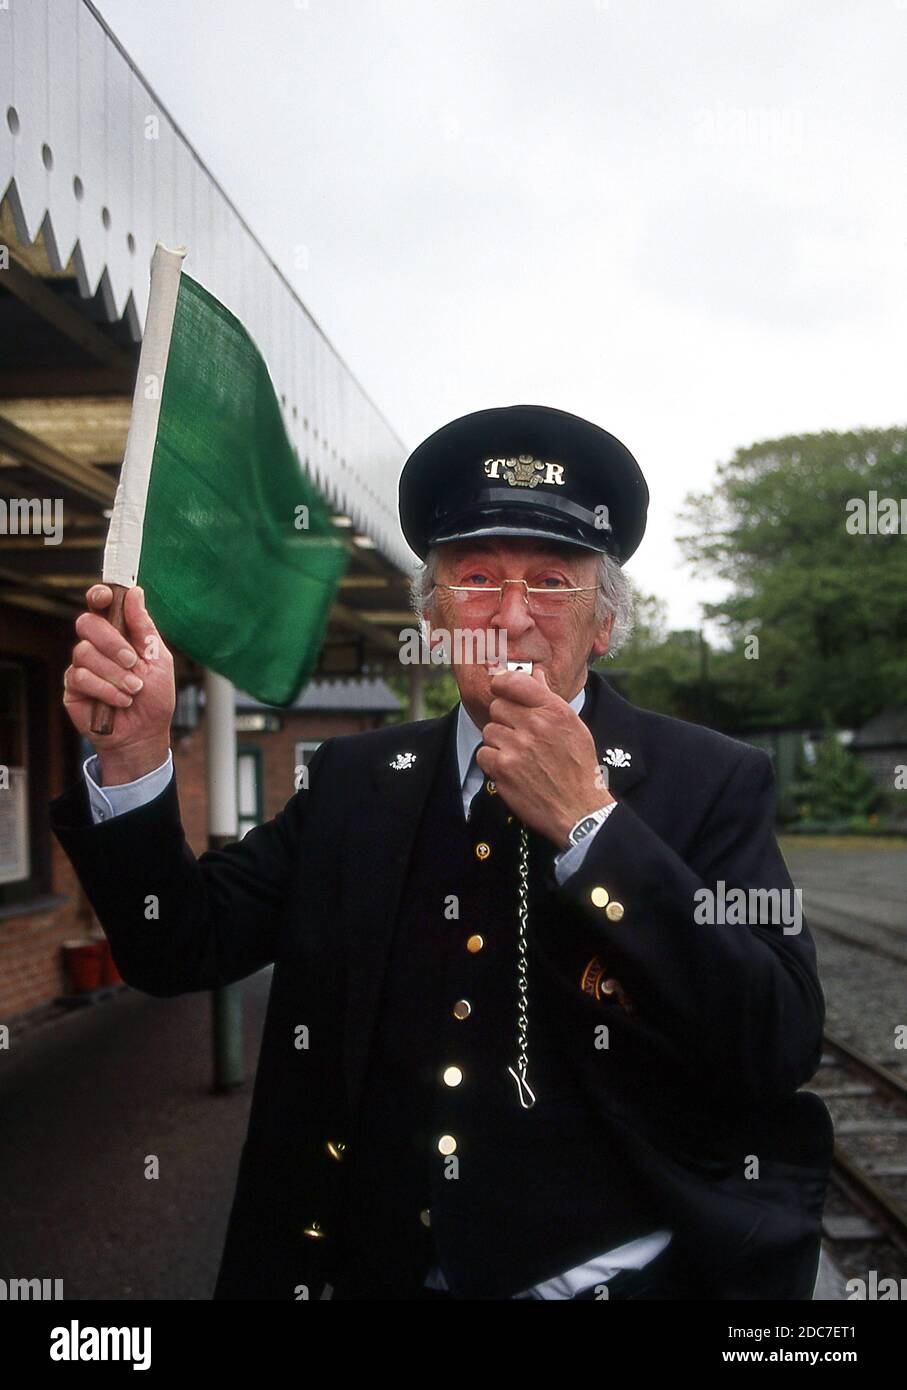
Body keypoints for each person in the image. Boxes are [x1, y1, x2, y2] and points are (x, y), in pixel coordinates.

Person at [51, 404, 832, 1300]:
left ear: (602, 624)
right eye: (474, 579)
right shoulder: (353, 779)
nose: (510, 617)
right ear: (433, 617)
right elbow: (174, 944)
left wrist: (591, 828)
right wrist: (136, 758)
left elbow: (776, 1039)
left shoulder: (709, 780)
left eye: (551, 582)